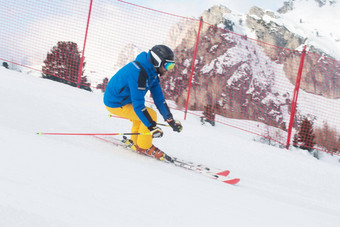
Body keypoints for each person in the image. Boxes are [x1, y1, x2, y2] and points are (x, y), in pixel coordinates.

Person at [104, 45, 183, 160]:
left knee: (141, 118)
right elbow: (138, 105)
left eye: (171, 66)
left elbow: (159, 99)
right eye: (167, 65)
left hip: (125, 100)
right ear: (157, 61)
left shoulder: (152, 73)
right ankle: (145, 146)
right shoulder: (139, 74)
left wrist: (170, 119)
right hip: (115, 103)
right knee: (150, 115)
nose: (168, 69)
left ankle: (136, 142)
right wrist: (152, 127)